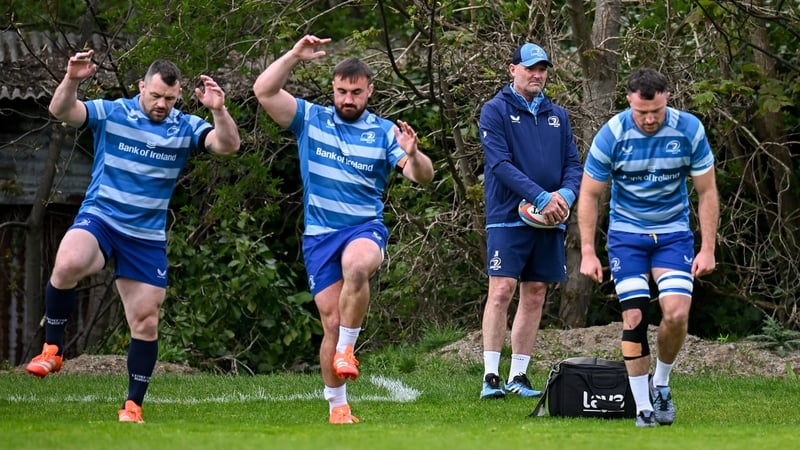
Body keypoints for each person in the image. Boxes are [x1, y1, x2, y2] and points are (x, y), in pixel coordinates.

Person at [25, 49, 241, 423]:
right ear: (142, 86)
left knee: (145, 321)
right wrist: (72, 79)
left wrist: (219, 110)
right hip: (103, 217)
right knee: (69, 261)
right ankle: (53, 348)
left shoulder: (185, 126)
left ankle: (133, 405)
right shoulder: (113, 112)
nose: (161, 104)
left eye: (169, 99)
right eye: (155, 95)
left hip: (145, 235)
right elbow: (61, 111)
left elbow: (228, 146)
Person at [252, 35, 434, 424]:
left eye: (355, 92)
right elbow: (263, 90)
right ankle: (338, 405)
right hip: (319, 235)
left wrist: (414, 154)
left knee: (358, 265)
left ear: (370, 91)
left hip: (363, 228)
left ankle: (347, 351)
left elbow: (424, 177)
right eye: (341, 91)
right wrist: (294, 56)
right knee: (331, 323)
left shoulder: (386, 132)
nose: (347, 99)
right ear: (332, 90)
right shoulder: (310, 119)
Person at [578, 68, 718, 427]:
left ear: (667, 97)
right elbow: (590, 195)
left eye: (655, 111)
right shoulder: (612, 134)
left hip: (673, 235)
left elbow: (706, 192)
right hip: (627, 237)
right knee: (635, 315)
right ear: (629, 101)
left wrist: (707, 248)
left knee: (676, 314)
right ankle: (642, 407)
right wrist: (590, 252)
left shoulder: (689, 130)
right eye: (642, 113)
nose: (650, 119)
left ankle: (661, 383)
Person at [478, 42, 583, 400]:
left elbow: (573, 165)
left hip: (550, 217)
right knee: (502, 290)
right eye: (530, 68)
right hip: (508, 216)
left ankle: (518, 376)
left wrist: (564, 197)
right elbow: (500, 164)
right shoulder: (494, 110)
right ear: (513, 70)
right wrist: (540, 197)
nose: (537, 74)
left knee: (536, 293)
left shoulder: (559, 115)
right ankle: (491, 376)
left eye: (542, 69)